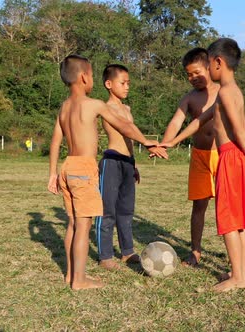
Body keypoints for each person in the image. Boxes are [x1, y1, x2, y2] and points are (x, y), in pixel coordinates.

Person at [47, 55, 165, 290]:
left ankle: (71, 275)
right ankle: (80, 280)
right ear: (83, 77)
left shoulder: (64, 107)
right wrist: (147, 141)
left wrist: (52, 173)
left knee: (72, 223)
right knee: (84, 225)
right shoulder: (94, 104)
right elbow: (124, 126)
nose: (92, 79)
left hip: (68, 166)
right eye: (91, 75)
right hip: (83, 168)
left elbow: (55, 141)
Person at [161, 38, 245, 292]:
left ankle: (237, 277)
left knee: (227, 218)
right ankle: (242, 271)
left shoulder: (225, 92)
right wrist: (171, 142)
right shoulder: (232, 91)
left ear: (216, 63)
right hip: (234, 157)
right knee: (240, 219)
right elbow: (198, 122)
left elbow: (239, 128)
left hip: (230, 156)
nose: (194, 77)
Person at [96, 64, 164, 270]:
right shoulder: (105, 108)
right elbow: (124, 129)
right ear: (109, 84)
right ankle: (105, 256)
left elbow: (130, 136)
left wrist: (134, 163)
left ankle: (127, 252)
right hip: (112, 161)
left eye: (129, 83)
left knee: (126, 211)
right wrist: (148, 142)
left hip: (127, 164)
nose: (127, 87)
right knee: (107, 211)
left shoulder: (127, 109)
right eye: (122, 83)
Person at [160, 48, 220, 267]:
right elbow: (176, 121)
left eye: (196, 72)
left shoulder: (224, 91)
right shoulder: (190, 98)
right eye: (188, 74)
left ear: (210, 67)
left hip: (222, 156)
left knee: (224, 206)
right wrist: (165, 144)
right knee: (199, 206)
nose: (192, 78)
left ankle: (233, 254)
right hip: (199, 157)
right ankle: (195, 251)